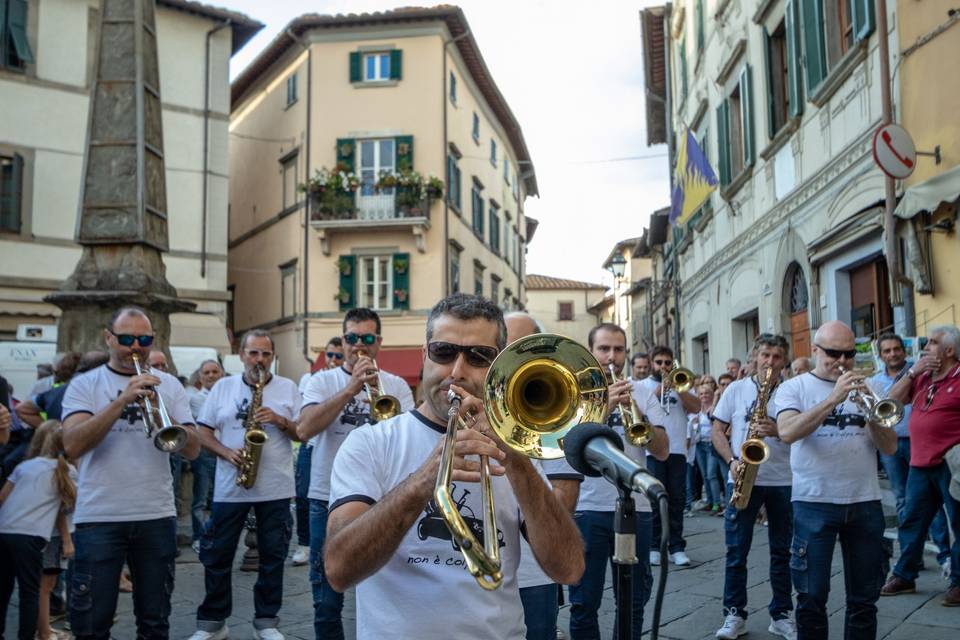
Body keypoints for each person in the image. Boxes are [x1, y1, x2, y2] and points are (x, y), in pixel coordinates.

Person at [322, 294, 584, 639]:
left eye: (478, 357)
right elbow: (339, 570)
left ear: (498, 367)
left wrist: (518, 463)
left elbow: (568, 568)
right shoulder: (370, 443)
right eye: (443, 352)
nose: (457, 372)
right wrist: (422, 482)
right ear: (424, 356)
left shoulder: (520, 452)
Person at [61, 306, 200, 639]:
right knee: (93, 623)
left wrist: (165, 416)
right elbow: (73, 445)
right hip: (100, 517)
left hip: (156, 514)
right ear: (109, 338)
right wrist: (121, 401)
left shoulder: (168, 385)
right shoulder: (85, 385)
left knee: (155, 622)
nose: (135, 346)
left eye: (144, 339)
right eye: (126, 339)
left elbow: (193, 448)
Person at [297, 308, 416, 638]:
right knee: (327, 592)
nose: (358, 345)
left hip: (383, 497)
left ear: (378, 342)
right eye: (351, 338)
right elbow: (304, 429)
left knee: (392, 585)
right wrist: (351, 389)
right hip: (327, 497)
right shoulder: (321, 380)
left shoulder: (396, 385)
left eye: (366, 338)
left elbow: (407, 439)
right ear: (343, 340)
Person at [776, 321, 897, 639]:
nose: (842, 361)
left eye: (848, 353)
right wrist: (833, 398)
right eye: (833, 353)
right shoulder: (794, 387)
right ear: (815, 350)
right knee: (811, 597)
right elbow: (787, 432)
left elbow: (890, 446)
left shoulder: (870, 387)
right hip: (814, 502)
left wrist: (870, 412)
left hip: (865, 501)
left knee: (864, 599)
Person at [187, 330, 300, 640]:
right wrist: (226, 452)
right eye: (253, 353)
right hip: (230, 487)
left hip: (275, 487)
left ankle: (266, 622)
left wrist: (280, 420)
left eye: (265, 354)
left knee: (273, 556)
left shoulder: (288, 388)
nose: (259, 360)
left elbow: (301, 432)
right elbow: (202, 431)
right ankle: (213, 623)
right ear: (242, 355)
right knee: (218, 555)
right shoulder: (223, 387)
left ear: (273, 357)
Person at [568, 323, 668, 639]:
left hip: (635, 507)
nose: (612, 357)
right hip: (587, 507)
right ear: (590, 351)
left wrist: (637, 412)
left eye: (619, 349)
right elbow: (565, 446)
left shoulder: (641, 392)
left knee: (634, 601)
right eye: (604, 349)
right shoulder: (570, 393)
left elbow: (663, 451)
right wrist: (605, 406)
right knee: (584, 601)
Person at [504, 311, 583, 640]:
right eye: (505, 346)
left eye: (525, 345)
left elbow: (564, 506)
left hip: (534, 575)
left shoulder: (558, 407)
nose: (512, 354)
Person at [712, 334, 796, 640]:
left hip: (783, 479)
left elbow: (803, 434)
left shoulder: (792, 390)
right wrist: (732, 460)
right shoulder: (736, 389)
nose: (770, 362)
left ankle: (782, 614)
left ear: (784, 361)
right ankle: (734, 615)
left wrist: (777, 430)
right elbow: (717, 430)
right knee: (736, 551)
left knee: (782, 551)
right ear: (754, 357)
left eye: (776, 357)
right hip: (743, 477)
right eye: (765, 356)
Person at [881, 325, 960, 606]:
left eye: (933, 343)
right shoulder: (922, 377)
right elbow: (891, 402)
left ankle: (959, 582)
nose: (925, 347)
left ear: (949, 351)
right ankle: (905, 574)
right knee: (912, 521)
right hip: (920, 462)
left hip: (951, 464)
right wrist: (912, 373)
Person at [870, 333, 951, 575]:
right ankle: (911, 557)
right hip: (892, 446)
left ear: (903, 351)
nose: (893, 354)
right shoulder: (875, 381)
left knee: (933, 503)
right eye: (887, 351)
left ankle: (944, 555)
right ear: (881, 355)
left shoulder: (921, 372)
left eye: (896, 349)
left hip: (920, 443)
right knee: (903, 500)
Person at [0, 420, 76, 640]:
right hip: (32, 535)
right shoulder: (67, 471)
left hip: (5, 530)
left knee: (3, 589)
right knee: (30, 592)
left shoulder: (23, 467)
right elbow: (70, 506)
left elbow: (2, 498)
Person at [640, 346, 700, 566]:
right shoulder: (644, 386)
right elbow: (640, 410)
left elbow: (697, 407)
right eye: (659, 362)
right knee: (655, 501)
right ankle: (654, 546)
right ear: (651, 363)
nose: (663, 366)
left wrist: (680, 390)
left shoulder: (681, 384)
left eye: (667, 362)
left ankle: (676, 547)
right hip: (652, 451)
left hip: (677, 451)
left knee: (677, 500)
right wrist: (660, 391)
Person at [292, 337, 345, 567]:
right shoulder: (312, 378)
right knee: (304, 495)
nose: (332, 360)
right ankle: (304, 543)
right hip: (311, 444)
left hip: (334, 447)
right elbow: (305, 417)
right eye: (329, 355)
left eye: (338, 356)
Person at [188, 359, 224, 554]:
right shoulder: (197, 399)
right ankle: (198, 536)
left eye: (214, 372)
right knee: (201, 496)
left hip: (224, 451)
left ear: (222, 375)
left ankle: (215, 535)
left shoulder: (227, 394)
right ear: (200, 377)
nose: (211, 375)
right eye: (207, 373)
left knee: (218, 496)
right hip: (205, 452)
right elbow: (212, 423)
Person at [690, 383, 723, 514]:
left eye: (707, 393)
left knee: (711, 474)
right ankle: (709, 501)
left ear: (711, 395)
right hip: (699, 444)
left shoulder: (713, 408)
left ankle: (717, 503)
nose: (704, 396)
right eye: (701, 394)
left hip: (711, 444)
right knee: (704, 475)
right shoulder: (697, 409)